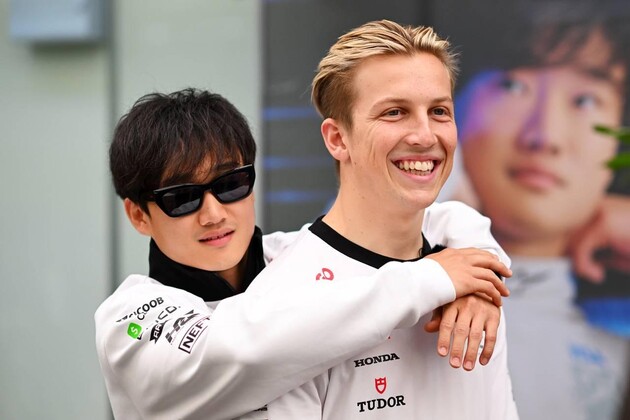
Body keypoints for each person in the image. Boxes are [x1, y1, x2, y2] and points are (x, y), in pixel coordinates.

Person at [95, 88, 512, 419]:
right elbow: (245, 350)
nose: (214, 214)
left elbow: (438, 219)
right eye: (182, 198)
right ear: (139, 215)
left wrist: (475, 278)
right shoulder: (128, 321)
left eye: (230, 185)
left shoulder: (293, 255)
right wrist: (435, 278)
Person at [245, 20, 518, 419]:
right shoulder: (283, 298)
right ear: (337, 139)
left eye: (439, 111)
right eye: (395, 112)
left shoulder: (474, 282)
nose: (425, 136)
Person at [446, 3, 630, 418]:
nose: (545, 136)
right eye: (513, 87)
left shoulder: (617, 339)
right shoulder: (383, 282)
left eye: (585, 100)